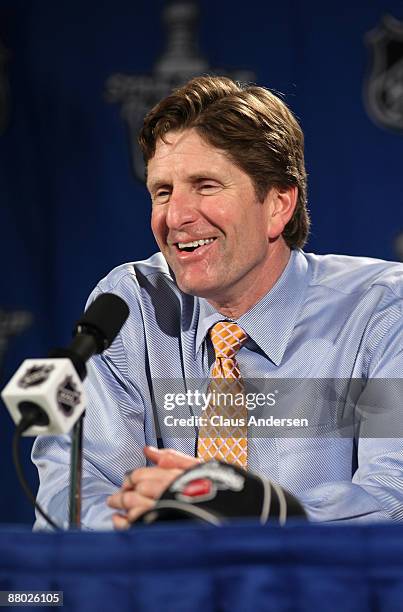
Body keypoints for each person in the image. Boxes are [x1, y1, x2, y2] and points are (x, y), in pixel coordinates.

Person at [32, 76, 403, 530]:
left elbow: (392, 493)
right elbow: (77, 482)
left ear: (278, 205)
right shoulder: (131, 306)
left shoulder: (384, 312)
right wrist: (158, 531)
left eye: (205, 185)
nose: (176, 216)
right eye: (162, 191)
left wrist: (266, 511)